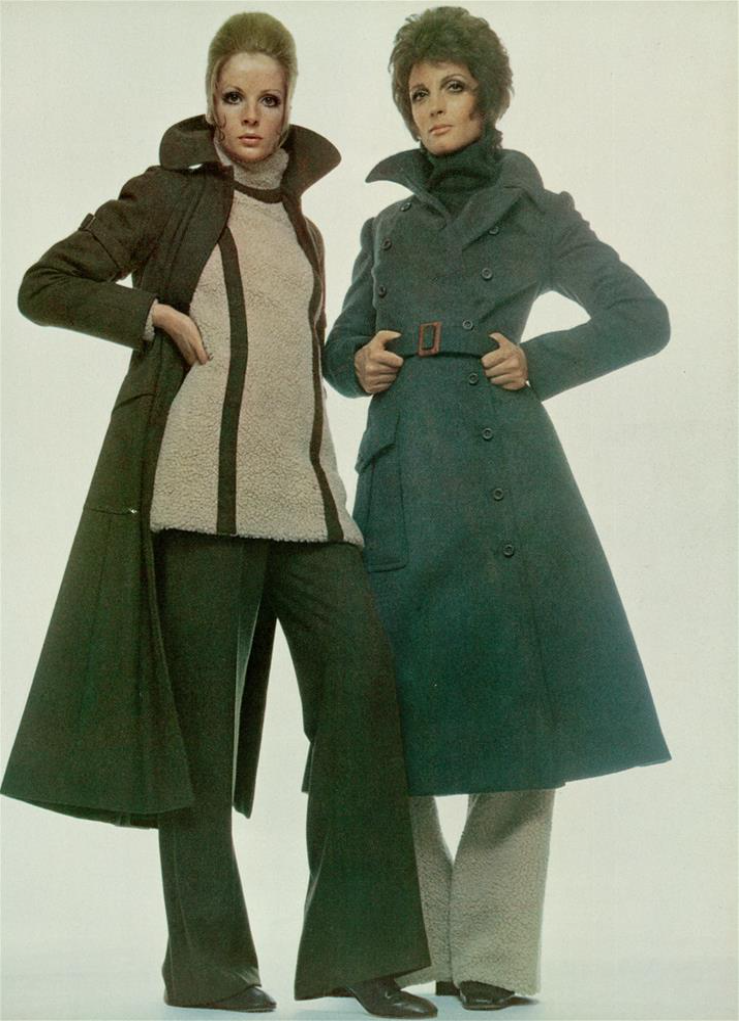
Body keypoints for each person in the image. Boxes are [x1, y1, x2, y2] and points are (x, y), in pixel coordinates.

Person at [1, 12, 437, 1019]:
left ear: (289, 108)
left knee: (364, 703)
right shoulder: (167, 198)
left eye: (268, 99)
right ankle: (206, 967)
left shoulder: (305, 229)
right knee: (199, 750)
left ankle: (361, 956)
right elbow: (44, 283)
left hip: (307, 509)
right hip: (199, 505)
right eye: (233, 97)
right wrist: (147, 313)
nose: (250, 115)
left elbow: (296, 374)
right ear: (210, 101)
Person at [324, 5, 671, 1012]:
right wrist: (358, 360)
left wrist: (543, 361)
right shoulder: (384, 226)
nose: (432, 108)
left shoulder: (537, 210)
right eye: (417, 93)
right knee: (387, 720)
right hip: (403, 475)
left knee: (518, 721)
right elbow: (337, 348)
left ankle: (491, 956)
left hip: (505, 475)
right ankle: (411, 944)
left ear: (487, 96)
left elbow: (640, 315)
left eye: (452, 87)